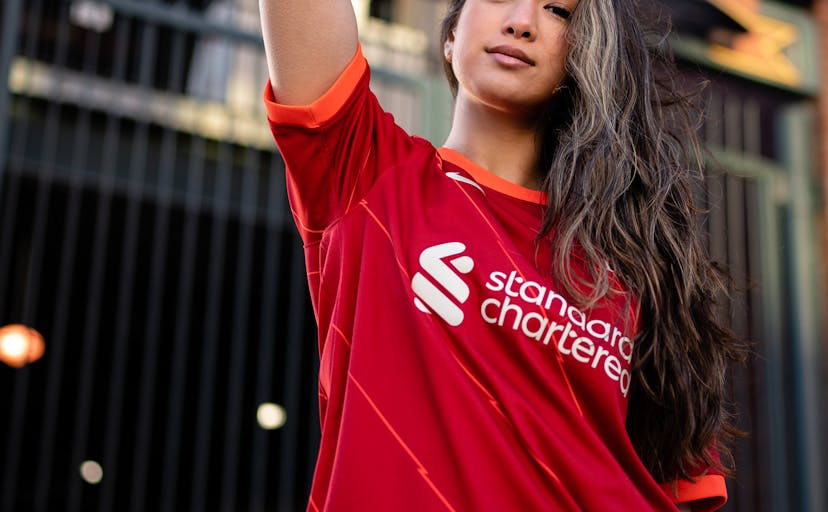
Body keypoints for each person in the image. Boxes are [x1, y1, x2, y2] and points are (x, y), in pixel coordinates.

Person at [259, 0, 747, 510]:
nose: (521, 20)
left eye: (558, 10)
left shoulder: (632, 258)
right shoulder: (366, 176)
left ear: (586, 52)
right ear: (448, 37)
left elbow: (682, 486)